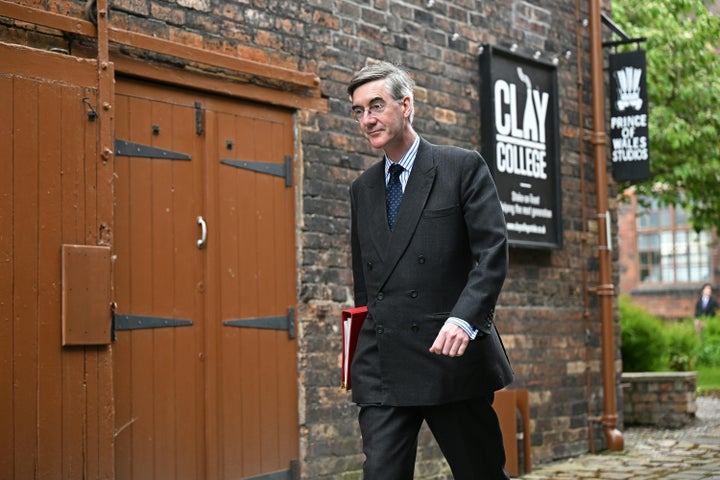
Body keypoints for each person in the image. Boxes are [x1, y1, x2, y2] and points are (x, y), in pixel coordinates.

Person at [347, 61, 514, 480]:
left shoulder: (461, 168)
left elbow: (492, 251)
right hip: (383, 365)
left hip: (450, 359)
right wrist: (359, 347)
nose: (367, 120)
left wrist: (465, 319)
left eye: (377, 106)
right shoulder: (362, 189)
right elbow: (366, 283)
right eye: (359, 111)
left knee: (481, 473)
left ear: (407, 105)